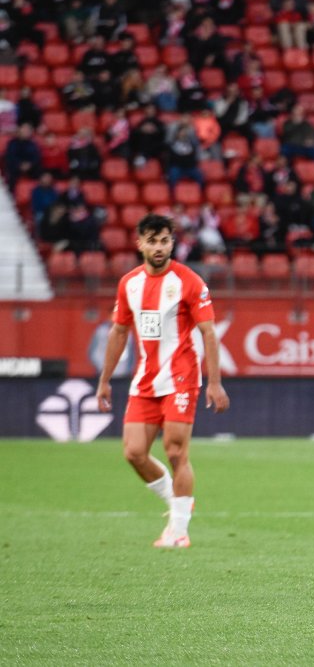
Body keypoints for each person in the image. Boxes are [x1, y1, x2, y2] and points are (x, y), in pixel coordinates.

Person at [95, 214, 231, 549]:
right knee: (134, 453)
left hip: (181, 378)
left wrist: (214, 383)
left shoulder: (189, 281)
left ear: (173, 242)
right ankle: (178, 499)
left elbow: (209, 333)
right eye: (152, 241)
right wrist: (105, 379)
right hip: (145, 380)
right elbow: (118, 331)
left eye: (165, 240)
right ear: (139, 243)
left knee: (174, 451)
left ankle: (179, 531)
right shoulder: (129, 283)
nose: (159, 247)